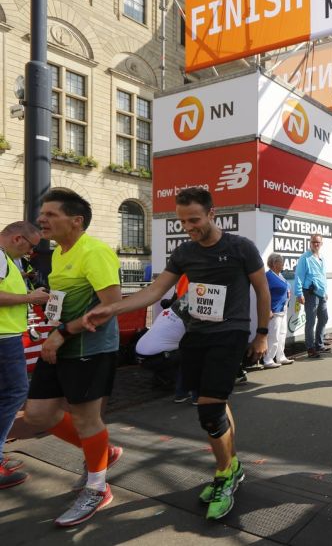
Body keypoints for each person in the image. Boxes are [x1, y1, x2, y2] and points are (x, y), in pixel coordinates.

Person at [83, 187, 270, 521]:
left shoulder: (240, 247)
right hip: (194, 334)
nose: (188, 227)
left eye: (194, 220)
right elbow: (155, 290)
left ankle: (224, 475)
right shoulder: (185, 252)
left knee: (209, 412)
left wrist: (262, 334)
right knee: (214, 403)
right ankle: (232, 465)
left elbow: (262, 289)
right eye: (182, 221)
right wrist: (112, 309)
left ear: (212, 214)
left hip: (229, 334)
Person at [22, 189, 124, 526]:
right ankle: (103, 451)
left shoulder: (94, 251)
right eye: (43, 213)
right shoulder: (60, 252)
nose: (41, 219)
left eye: (51, 214)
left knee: (86, 419)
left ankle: (97, 489)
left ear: (76, 221)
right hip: (59, 344)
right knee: (38, 414)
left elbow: (110, 306)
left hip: (88, 348)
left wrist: (63, 332)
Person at [0, 221, 50, 489]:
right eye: (31, 247)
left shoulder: (7, 259)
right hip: (3, 338)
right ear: (18, 238)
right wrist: (30, 298)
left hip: (6, 336)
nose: (30, 253)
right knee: (15, 392)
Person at [294, 234, 329, 359]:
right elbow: (299, 276)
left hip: (321, 293)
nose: (316, 244)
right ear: (310, 243)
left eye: (318, 242)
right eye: (314, 242)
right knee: (311, 321)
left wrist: (325, 292)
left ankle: (319, 344)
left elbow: (322, 276)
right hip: (310, 293)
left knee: (324, 318)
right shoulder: (305, 258)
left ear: (321, 243)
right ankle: (310, 348)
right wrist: (299, 293)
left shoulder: (322, 258)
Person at [263, 254, 294, 368]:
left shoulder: (280, 275)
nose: (283, 264)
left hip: (283, 310)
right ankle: (268, 359)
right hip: (274, 311)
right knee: (273, 336)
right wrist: (268, 310)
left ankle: (280, 356)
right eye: (281, 262)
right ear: (274, 263)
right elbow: (264, 294)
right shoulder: (268, 276)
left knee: (282, 334)